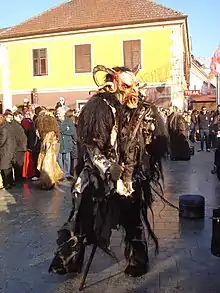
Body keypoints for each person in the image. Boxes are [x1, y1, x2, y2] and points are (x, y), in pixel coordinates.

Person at [49, 64, 169, 278]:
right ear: (113, 85)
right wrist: (109, 169)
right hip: (98, 176)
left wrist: (147, 150)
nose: (132, 91)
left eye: (135, 85)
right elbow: (92, 146)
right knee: (83, 218)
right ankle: (70, 259)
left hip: (130, 177)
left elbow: (155, 146)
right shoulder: (100, 107)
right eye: (126, 85)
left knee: (132, 219)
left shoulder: (143, 110)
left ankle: (138, 260)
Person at [36, 110, 63, 189]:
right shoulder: (52, 129)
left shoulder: (49, 132)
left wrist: (47, 144)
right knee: (49, 164)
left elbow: (48, 140)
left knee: (47, 165)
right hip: (49, 148)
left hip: (49, 149)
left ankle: (48, 182)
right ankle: (49, 181)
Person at [0, 115, 15, 189]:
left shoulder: (3, 129)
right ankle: (10, 182)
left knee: (4, 167)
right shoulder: (6, 126)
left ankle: (7, 184)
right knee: (8, 167)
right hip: (8, 150)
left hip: (5, 151)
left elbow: (2, 141)